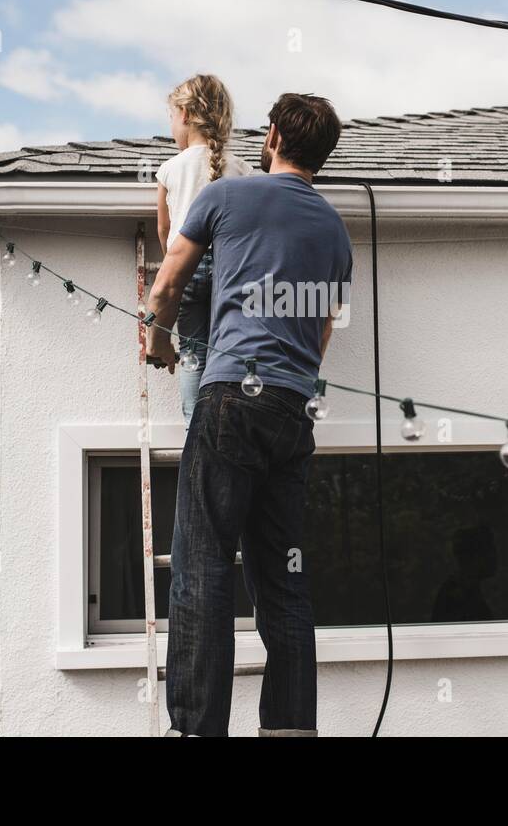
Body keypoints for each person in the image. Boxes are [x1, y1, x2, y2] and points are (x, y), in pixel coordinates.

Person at [144, 93, 351, 737]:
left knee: (203, 564)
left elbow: (170, 283)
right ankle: (290, 729)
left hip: (232, 397)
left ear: (272, 137)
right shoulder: (336, 233)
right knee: (283, 579)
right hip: (292, 413)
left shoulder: (227, 196)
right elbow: (320, 336)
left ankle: (197, 728)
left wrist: (158, 340)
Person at [156, 75, 253, 422]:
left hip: (187, 269)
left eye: (170, 118)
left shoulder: (170, 168)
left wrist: (175, 271)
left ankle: (194, 427)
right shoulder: (242, 169)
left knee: (193, 351)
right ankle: (228, 417)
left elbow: (165, 229)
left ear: (183, 114)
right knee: (230, 351)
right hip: (231, 271)